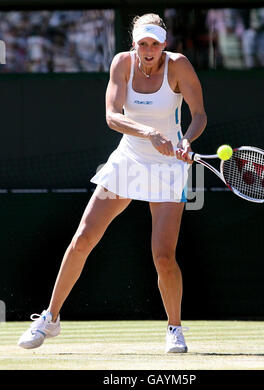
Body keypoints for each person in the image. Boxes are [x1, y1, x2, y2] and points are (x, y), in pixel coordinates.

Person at [18, 13, 207, 353]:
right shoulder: (122, 64)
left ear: (164, 44)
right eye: (142, 44)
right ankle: (50, 318)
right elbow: (112, 115)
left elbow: (199, 115)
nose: (149, 50)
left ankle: (174, 329)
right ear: (134, 45)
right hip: (128, 161)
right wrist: (149, 133)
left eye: (155, 44)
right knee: (83, 237)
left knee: (163, 256)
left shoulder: (179, 66)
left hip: (168, 167)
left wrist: (188, 141)